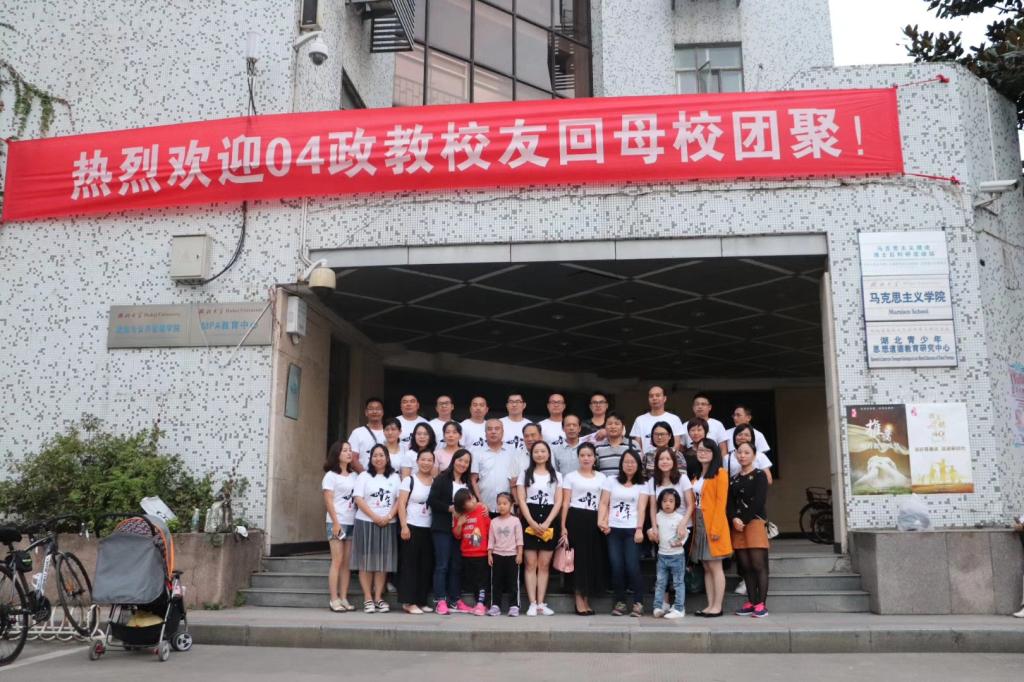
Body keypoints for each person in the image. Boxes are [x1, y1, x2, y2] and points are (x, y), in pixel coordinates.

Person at [351, 444, 401, 614]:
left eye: (381, 455)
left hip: (388, 523)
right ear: (370, 458)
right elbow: (358, 498)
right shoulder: (364, 476)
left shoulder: (395, 477)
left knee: (382, 562)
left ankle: (379, 597)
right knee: (365, 561)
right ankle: (367, 598)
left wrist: (388, 516)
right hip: (366, 522)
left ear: (387, 458)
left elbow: (399, 500)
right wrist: (374, 516)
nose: (378, 458)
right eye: (375, 455)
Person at [516, 440, 564, 616]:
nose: (540, 454)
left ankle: (541, 603)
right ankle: (532, 603)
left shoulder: (557, 475)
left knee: (544, 565)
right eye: (536, 451)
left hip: (549, 519)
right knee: (530, 564)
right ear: (532, 454)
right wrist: (530, 521)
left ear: (548, 454)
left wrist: (548, 522)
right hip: (530, 517)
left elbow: (558, 501)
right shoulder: (524, 474)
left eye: (543, 451)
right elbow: (522, 500)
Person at [599, 449, 648, 617]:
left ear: (638, 465)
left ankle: (638, 603)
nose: (629, 465)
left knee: (632, 566)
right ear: (621, 464)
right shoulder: (611, 481)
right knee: (616, 566)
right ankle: (619, 602)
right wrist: (602, 521)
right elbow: (604, 503)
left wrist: (639, 529)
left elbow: (642, 508)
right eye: (626, 462)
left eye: (633, 462)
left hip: (632, 529)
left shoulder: (643, 484)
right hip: (613, 529)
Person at [646, 446, 695, 613]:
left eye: (668, 458)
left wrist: (683, 524)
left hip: (682, 529)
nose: (664, 462)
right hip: (662, 528)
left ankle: (679, 605)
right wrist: (654, 527)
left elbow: (691, 504)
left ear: (674, 461)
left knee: (679, 570)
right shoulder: (653, 481)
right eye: (661, 459)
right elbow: (653, 507)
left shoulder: (682, 478)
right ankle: (664, 602)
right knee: (662, 569)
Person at [559, 442, 607, 615]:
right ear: (578, 457)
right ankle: (578, 599)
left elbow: (604, 502)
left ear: (594, 458)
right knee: (578, 560)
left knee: (592, 559)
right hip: (576, 519)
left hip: (594, 520)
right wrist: (563, 526)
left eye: (589, 455)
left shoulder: (602, 477)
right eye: (582, 455)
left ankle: (587, 599)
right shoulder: (570, 477)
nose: (586, 458)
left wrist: (604, 521)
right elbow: (565, 502)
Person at [426, 448, 473, 615]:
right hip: (443, 528)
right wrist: (449, 508)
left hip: (460, 529)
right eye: (460, 460)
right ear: (454, 461)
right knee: (442, 565)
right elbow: (432, 501)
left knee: (456, 565)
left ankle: (455, 600)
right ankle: (440, 600)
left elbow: (472, 503)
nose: (462, 464)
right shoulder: (442, 479)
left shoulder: (467, 483)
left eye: (466, 462)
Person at [690, 437, 732, 618]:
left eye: (706, 450)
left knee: (715, 566)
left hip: (713, 523)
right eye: (700, 450)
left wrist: (715, 529)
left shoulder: (720, 474)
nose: (702, 453)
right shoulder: (697, 475)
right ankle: (710, 605)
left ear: (714, 453)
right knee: (706, 567)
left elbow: (721, 504)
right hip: (699, 521)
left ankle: (717, 606)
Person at [728, 441, 771, 618]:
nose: (742, 455)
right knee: (745, 566)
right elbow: (729, 503)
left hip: (754, 522)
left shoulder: (760, 475)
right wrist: (734, 518)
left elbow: (759, 501)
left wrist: (743, 519)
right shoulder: (734, 478)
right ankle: (751, 601)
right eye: (739, 452)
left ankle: (761, 604)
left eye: (746, 452)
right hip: (737, 525)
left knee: (758, 564)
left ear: (754, 455)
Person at [397, 449, 435, 614]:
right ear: (417, 461)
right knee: (410, 565)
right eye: (423, 459)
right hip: (411, 526)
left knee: (425, 566)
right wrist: (404, 526)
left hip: (429, 528)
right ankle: (408, 601)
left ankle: (421, 600)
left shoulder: (435, 481)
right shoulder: (409, 480)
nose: (426, 463)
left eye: (429, 460)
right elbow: (401, 504)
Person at [322, 440, 357, 612]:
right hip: (337, 522)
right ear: (337, 454)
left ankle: (343, 598)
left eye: (350, 450)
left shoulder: (354, 476)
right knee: (337, 560)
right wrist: (336, 523)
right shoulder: (330, 476)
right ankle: (334, 599)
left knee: (346, 563)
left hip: (352, 522)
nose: (349, 453)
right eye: (345, 450)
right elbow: (328, 500)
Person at [452, 488, 491, 615]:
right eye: (469, 500)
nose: (473, 500)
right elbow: (457, 535)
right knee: (473, 580)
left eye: (472, 497)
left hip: (481, 552)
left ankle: (481, 604)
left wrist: (490, 549)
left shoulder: (481, 510)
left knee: (482, 580)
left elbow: (489, 528)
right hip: (467, 553)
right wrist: (459, 524)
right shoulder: (460, 515)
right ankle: (478, 603)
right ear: (462, 506)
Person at [653, 489, 688, 620]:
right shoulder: (657, 517)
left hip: (677, 556)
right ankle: (658, 606)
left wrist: (680, 542)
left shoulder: (679, 518)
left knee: (678, 583)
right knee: (660, 582)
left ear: (676, 503)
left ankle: (679, 608)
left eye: (671, 501)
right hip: (662, 555)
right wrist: (651, 533)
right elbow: (652, 530)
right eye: (664, 501)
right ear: (660, 503)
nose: (667, 503)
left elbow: (685, 533)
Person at [487, 492, 523, 616]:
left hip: (512, 555)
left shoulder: (515, 521)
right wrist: (490, 554)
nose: (501, 506)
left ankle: (514, 606)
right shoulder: (494, 521)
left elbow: (519, 539)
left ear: (511, 505)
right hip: (497, 555)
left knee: (513, 582)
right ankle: (495, 605)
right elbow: (491, 539)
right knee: (496, 581)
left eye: (504, 503)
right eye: (499, 504)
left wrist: (519, 554)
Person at [470, 419, 516, 516]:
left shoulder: (512, 452)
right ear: (485, 433)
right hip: (484, 507)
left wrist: (515, 503)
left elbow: (515, 480)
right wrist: (480, 502)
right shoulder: (477, 453)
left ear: (503, 432)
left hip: (507, 508)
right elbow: (473, 480)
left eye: (497, 429)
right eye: (489, 429)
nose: (493, 432)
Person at [629, 385, 685, 453]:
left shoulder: (674, 419)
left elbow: (676, 444)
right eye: (651, 396)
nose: (654, 398)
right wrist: (645, 459)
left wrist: (667, 457)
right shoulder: (640, 420)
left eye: (658, 395)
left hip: (668, 459)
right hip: (647, 459)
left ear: (664, 398)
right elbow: (637, 446)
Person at [346, 397, 385, 473]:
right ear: (366, 413)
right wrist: (365, 476)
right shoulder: (357, 433)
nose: (374, 411)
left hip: (386, 477)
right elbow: (353, 458)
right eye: (371, 409)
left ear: (383, 412)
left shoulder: (390, 433)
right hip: (363, 476)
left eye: (378, 409)